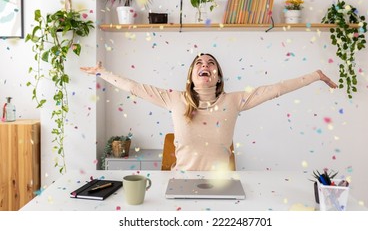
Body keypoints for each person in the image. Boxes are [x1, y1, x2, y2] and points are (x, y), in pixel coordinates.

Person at [81, 53, 337, 171]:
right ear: (191, 76)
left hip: (221, 185)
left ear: (218, 77)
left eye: (211, 63)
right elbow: (135, 87)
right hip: (180, 182)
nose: (205, 65)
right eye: (199, 64)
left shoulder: (235, 100)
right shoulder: (174, 99)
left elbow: (277, 89)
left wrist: (314, 76)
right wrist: (103, 73)